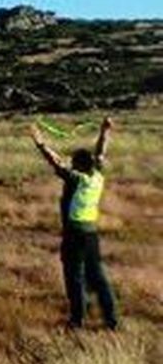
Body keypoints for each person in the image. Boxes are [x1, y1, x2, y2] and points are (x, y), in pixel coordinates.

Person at [30, 116, 118, 330]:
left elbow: (56, 162)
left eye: (73, 163)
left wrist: (40, 143)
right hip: (91, 234)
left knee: (74, 278)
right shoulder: (97, 176)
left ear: (78, 166)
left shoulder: (77, 179)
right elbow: (100, 153)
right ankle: (111, 320)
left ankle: (77, 321)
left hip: (74, 235)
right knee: (97, 278)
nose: (70, 164)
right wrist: (105, 131)